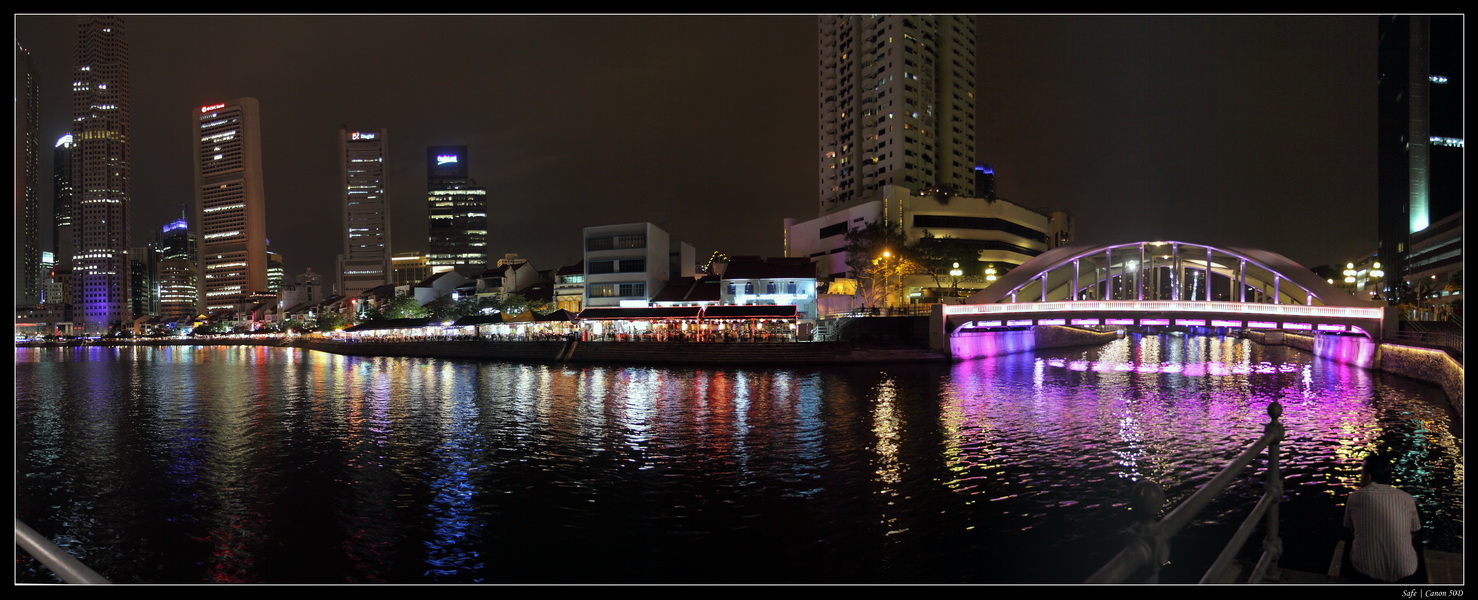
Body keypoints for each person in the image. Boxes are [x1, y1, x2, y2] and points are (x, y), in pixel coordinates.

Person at [1343, 453, 1421, 582]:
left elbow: (1350, 528)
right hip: (1405, 571)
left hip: (1365, 570)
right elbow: (1412, 532)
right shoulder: (1407, 498)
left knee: (1348, 541)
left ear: (1368, 476)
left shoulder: (1355, 497)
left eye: (1362, 473)